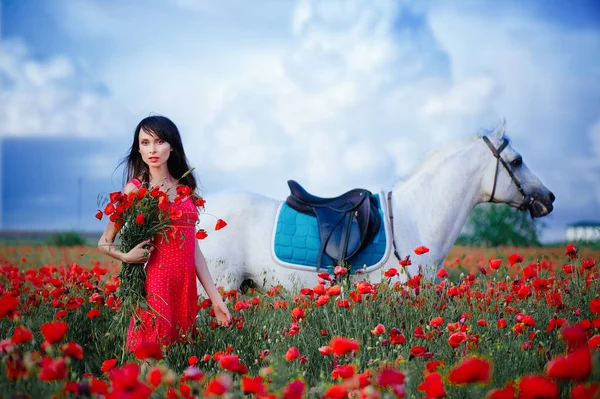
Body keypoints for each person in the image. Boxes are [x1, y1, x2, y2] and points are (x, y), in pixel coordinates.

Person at [97, 115, 232, 352]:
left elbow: (193, 248)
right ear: (138, 148)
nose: (152, 149)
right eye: (145, 142)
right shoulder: (136, 189)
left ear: (172, 145)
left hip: (185, 289)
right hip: (154, 286)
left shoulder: (184, 188)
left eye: (159, 142)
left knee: (177, 369)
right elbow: (104, 242)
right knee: (150, 363)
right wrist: (127, 257)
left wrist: (215, 298)